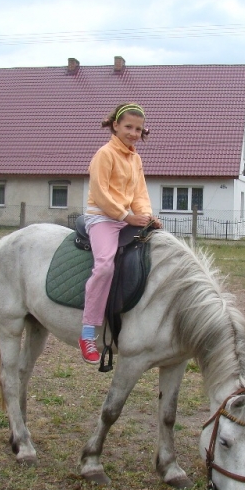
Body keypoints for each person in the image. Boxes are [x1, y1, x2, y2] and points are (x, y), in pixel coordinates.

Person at [79, 103, 162, 364]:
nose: (133, 133)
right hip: (102, 217)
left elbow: (140, 193)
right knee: (104, 265)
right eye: (128, 127)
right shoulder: (104, 154)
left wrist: (146, 217)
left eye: (138, 129)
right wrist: (126, 216)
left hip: (126, 217)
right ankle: (87, 331)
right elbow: (101, 193)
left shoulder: (135, 158)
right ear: (115, 125)